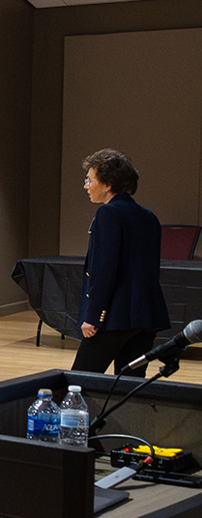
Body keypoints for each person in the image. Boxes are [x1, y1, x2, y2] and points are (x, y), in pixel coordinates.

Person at [76, 148, 169, 373]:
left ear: (108, 184)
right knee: (128, 387)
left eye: (89, 180)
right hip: (145, 315)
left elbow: (104, 270)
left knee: (81, 381)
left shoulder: (108, 214)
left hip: (114, 317)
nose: (86, 186)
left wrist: (93, 315)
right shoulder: (149, 217)